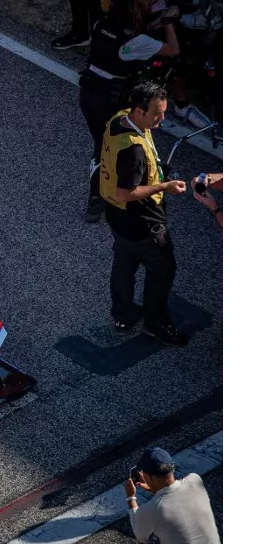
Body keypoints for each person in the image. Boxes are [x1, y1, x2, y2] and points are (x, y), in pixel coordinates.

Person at [97, 82, 189, 346]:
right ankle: (156, 322)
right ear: (138, 111)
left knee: (124, 263)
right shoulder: (134, 151)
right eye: (156, 114)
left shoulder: (118, 120)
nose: (162, 119)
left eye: (163, 112)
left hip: (116, 215)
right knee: (163, 270)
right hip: (143, 222)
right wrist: (164, 186)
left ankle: (123, 315)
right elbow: (126, 191)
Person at [79, 0, 178, 222]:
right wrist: (168, 24)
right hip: (111, 98)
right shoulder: (138, 41)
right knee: (112, 145)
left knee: (100, 142)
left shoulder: (101, 23)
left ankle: (101, 194)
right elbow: (172, 50)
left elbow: (131, 33)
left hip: (88, 91)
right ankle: (101, 195)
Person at [119, 447, 224, 544]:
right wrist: (154, 489)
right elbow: (176, 499)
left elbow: (141, 535)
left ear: (148, 476)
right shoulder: (195, 480)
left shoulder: (152, 509)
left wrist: (131, 497)